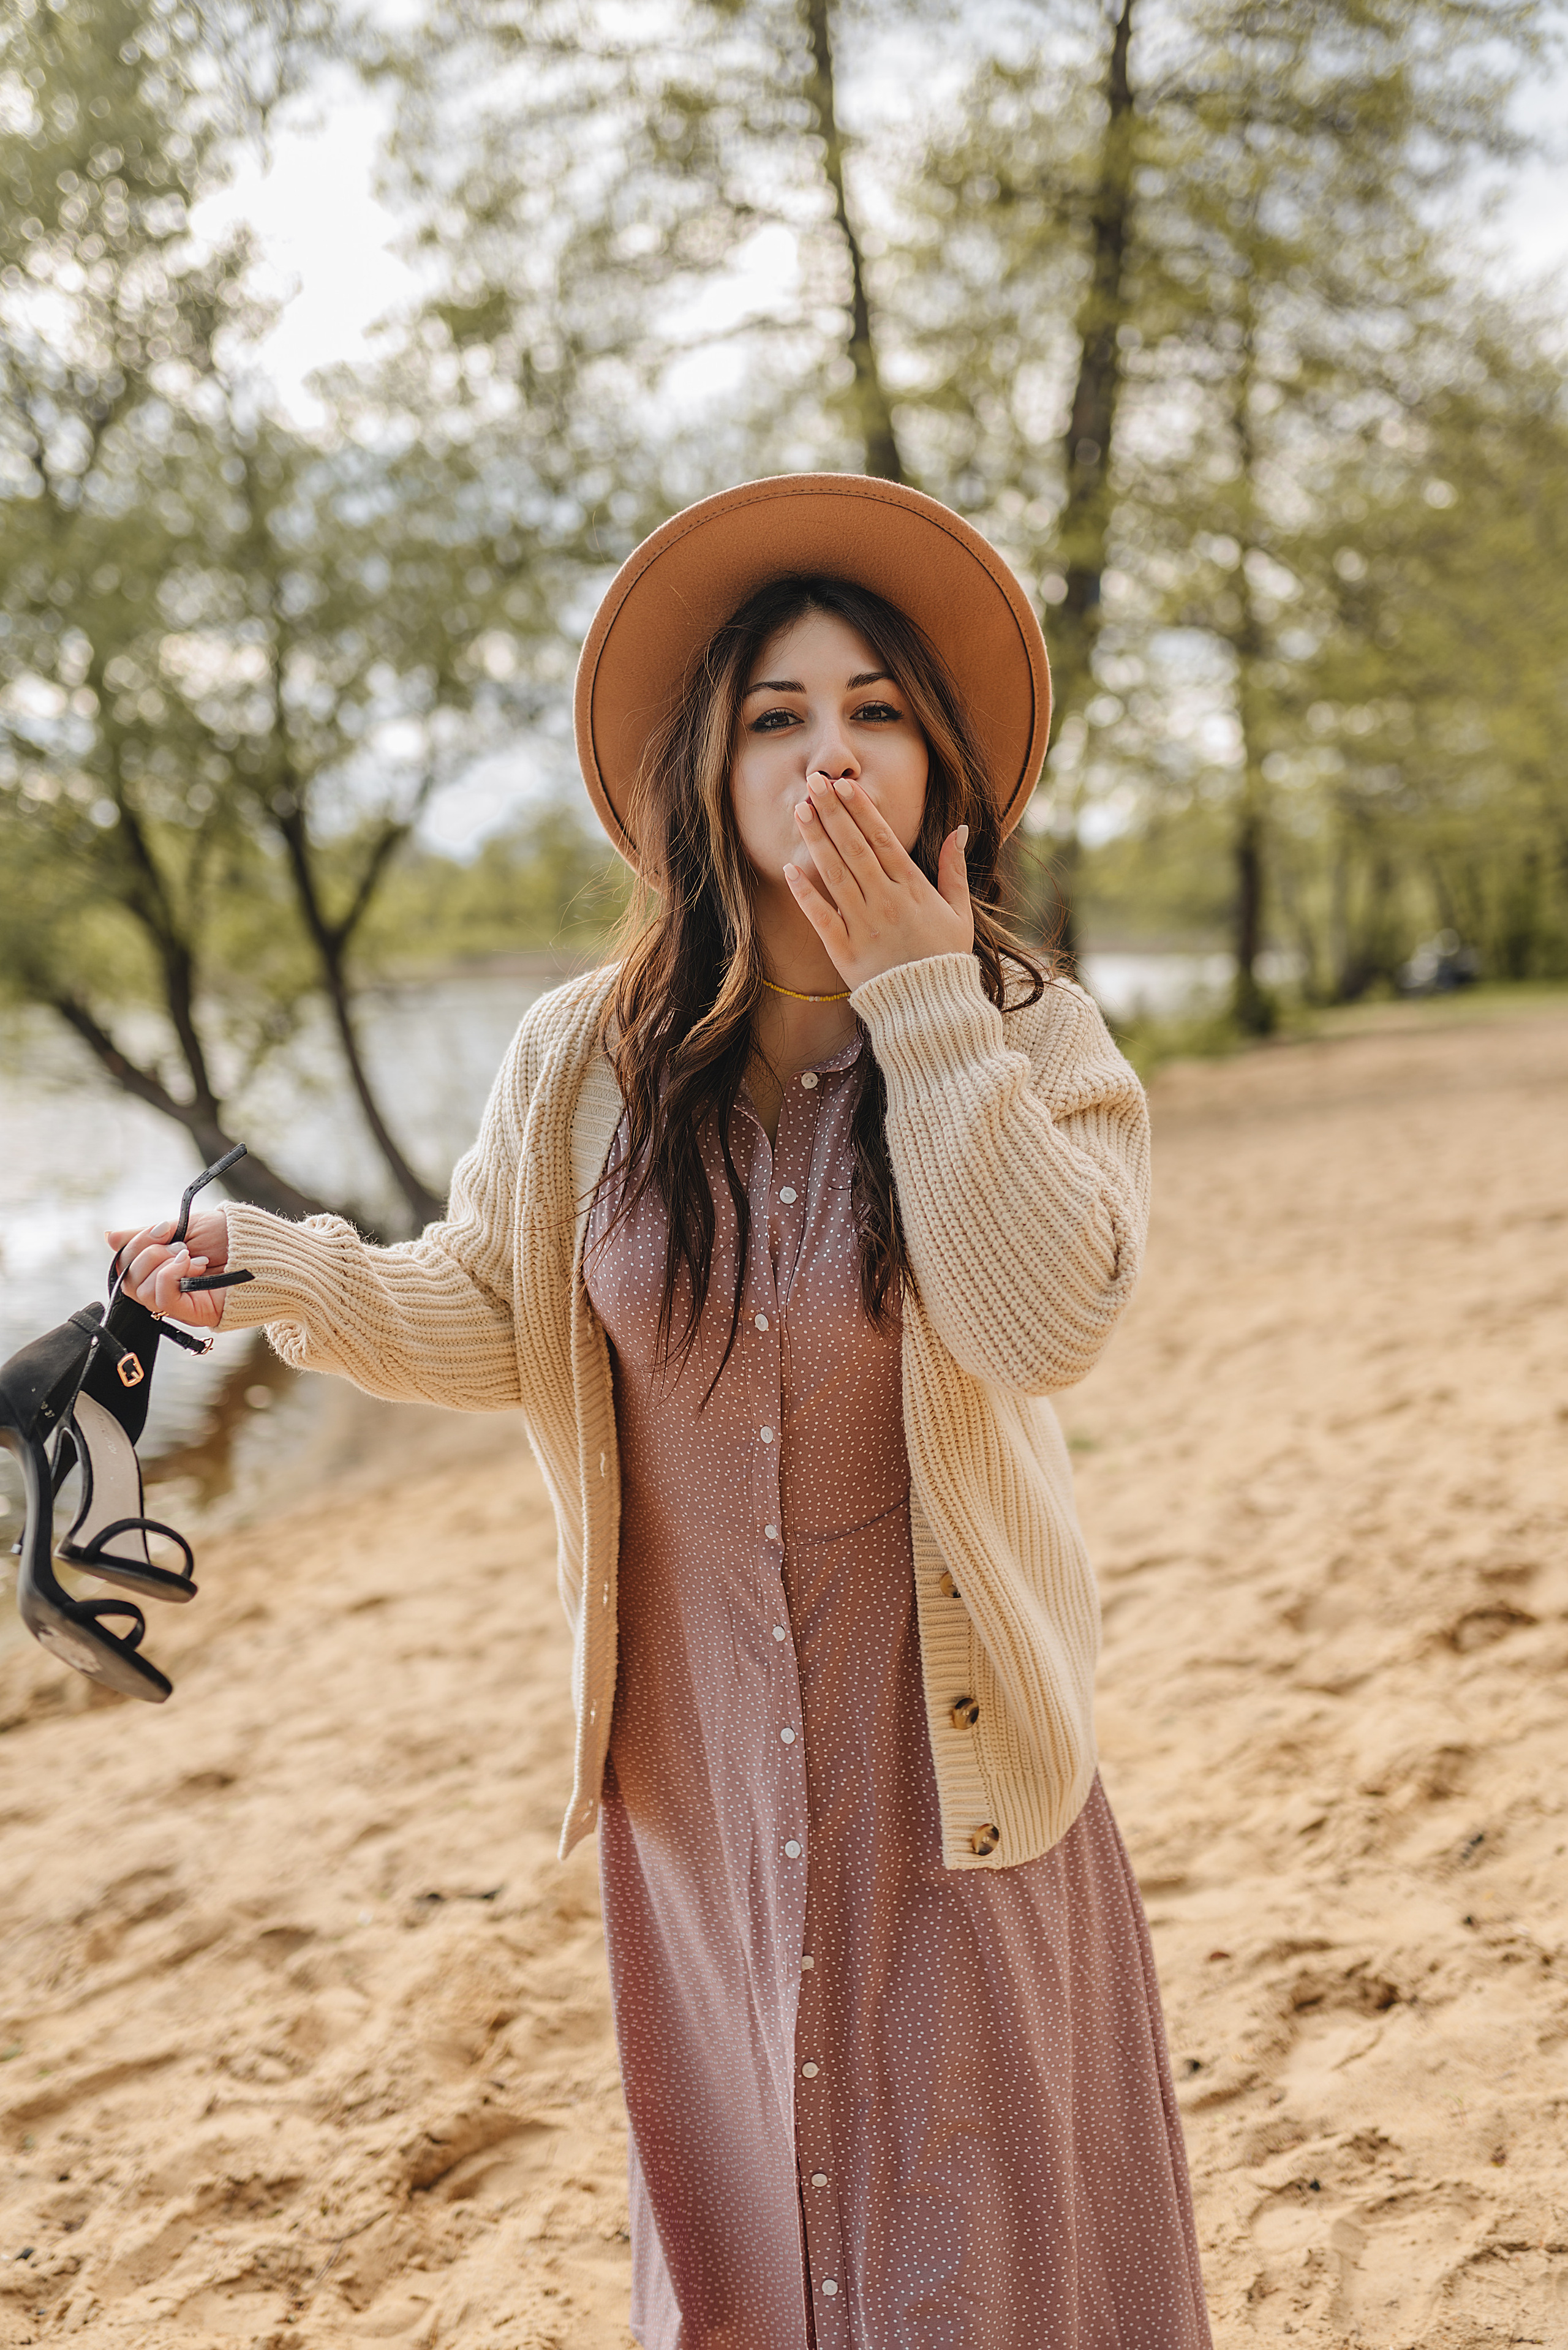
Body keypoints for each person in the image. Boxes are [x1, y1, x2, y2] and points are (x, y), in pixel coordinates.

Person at [112, 475, 1212, 2350]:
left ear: (945, 771)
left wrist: (920, 1000)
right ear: (711, 775)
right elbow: (493, 1312)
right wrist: (280, 1266)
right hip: (697, 1791)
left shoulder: (1031, 1032)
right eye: (777, 718)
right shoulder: (584, 1059)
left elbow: (1046, 1323)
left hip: (954, 1791)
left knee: (974, 2278)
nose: (829, 761)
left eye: (873, 713)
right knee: (753, 2281)